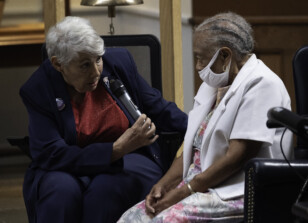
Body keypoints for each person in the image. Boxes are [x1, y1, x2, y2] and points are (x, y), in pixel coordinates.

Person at [117, 12, 293, 222]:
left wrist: (183, 192)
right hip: (201, 184)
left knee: (164, 220)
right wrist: (164, 184)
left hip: (237, 190)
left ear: (225, 55)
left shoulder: (263, 84)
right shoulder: (216, 86)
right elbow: (193, 147)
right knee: (131, 218)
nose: (198, 66)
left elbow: (236, 158)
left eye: (201, 58)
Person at [20, 16, 188, 223]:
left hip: (131, 157)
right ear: (58, 64)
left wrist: (201, 130)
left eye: (98, 59)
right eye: (84, 65)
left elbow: (159, 108)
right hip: (69, 162)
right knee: (59, 193)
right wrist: (115, 149)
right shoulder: (38, 89)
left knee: (105, 192)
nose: (96, 71)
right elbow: (51, 154)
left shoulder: (118, 62)